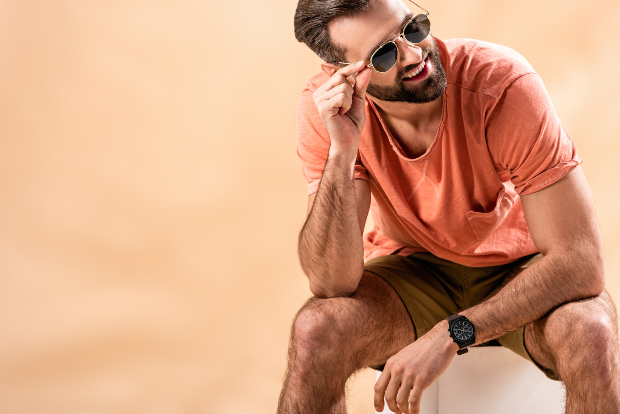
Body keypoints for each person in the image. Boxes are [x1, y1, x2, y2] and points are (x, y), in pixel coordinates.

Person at [277, 0, 620, 412]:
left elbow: (579, 261)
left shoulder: (501, 84)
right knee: (315, 330)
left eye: (413, 27)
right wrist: (342, 151)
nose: (414, 53)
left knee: (592, 331)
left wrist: (453, 332)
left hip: (520, 268)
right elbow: (332, 283)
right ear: (342, 75)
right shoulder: (327, 112)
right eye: (384, 53)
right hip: (413, 270)